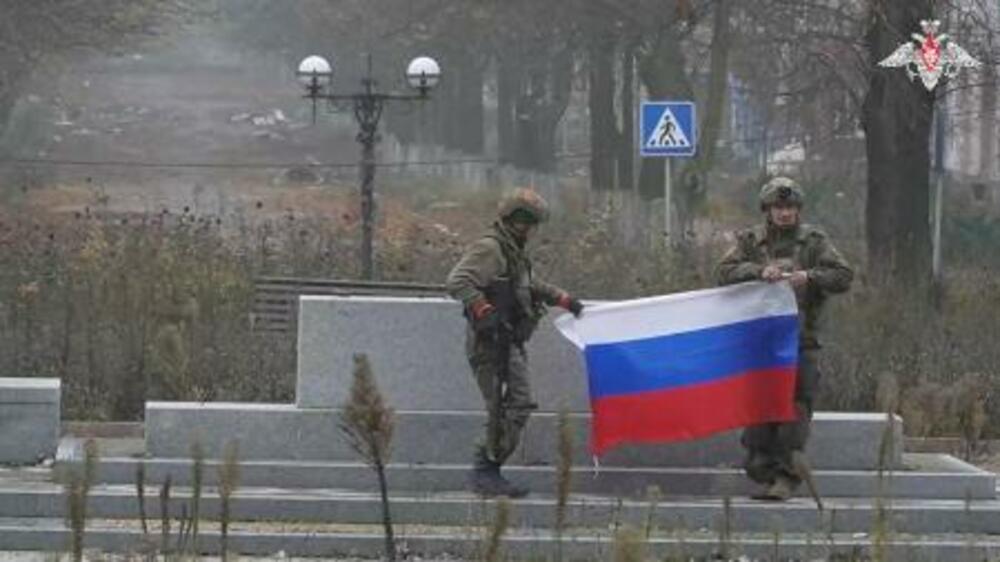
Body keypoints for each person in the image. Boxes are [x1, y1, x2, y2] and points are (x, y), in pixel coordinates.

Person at [716, 176, 854, 501]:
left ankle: (785, 476)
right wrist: (757, 272)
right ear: (767, 210)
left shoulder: (814, 242)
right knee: (759, 410)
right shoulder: (750, 241)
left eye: (790, 207)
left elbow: (844, 275)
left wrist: (811, 277)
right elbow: (723, 273)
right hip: (760, 343)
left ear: (798, 209)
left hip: (801, 342)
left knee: (795, 409)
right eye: (778, 207)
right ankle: (762, 469)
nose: (784, 213)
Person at [446, 188, 583, 498]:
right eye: (526, 221)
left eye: (533, 223)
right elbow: (457, 281)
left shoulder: (512, 251)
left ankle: (490, 467)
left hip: (508, 340)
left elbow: (527, 284)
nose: (530, 228)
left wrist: (563, 299)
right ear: (514, 220)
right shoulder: (491, 248)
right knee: (505, 407)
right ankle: (485, 470)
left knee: (517, 404)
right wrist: (483, 309)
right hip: (490, 343)